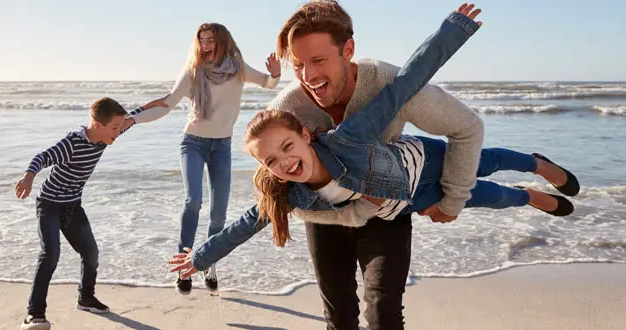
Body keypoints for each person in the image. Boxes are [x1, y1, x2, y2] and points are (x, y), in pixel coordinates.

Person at [172, 4, 569, 330]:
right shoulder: (286, 150)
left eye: (318, 60)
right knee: (341, 317)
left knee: (484, 166)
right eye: (298, 65)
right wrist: (200, 258)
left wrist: (455, 29)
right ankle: (525, 197)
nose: (308, 76)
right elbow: (249, 220)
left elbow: (411, 84)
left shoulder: (352, 130)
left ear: (308, 135)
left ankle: (534, 165)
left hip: (421, 167)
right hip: (401, 202)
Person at [122, 22, 282, 294]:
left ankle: (209, 264)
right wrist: (133, 120)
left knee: (218, 215)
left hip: (222, 146)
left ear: (222, 41)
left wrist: (275, 74)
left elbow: (268, 83)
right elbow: (168, 104)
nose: (206, 45)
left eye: (211, 40)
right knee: (192, 201)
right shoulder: (193, 71)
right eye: (202, 40)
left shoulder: (237, 67)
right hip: (193, 143)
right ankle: (183, 267)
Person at [15, 97, 165, 330]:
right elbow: (41, 157)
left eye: (119, 127)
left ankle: (86, 298)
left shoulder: (106, 135)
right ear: (98, 125)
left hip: (73, 207)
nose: (119, 131)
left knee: (91, 253)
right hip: (49, 205)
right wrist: (28, 177)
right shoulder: (72, 143)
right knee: (51, 255)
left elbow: (130, 118)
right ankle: (34, 315)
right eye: (115, 128)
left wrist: (154, 104)